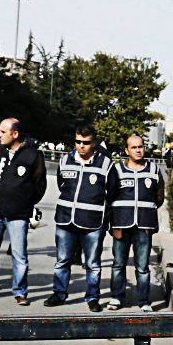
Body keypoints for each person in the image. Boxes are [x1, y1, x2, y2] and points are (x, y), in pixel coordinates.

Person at [0, 118, 46, 305]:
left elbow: (40, 184)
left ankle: (20, 292)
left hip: (18, 214)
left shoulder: (33, 155)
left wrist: (25, 201)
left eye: (2, 131)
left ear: (15, 134)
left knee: (19, 255)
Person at [45, 126, 112, 312]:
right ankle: (59, 293)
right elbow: (62, 185)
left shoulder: (106, 164)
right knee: (62, 261)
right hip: (66, 220)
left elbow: (111, 193)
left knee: (92, 264)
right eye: (78, 142)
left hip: (93, 222)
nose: (81, 146)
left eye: (86, 142)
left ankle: (92, 297)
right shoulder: (65, 160)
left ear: (94, 143)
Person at [106, 134, 164, 312]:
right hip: (121, 225)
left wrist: (147, 213)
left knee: (143, 267)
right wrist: (113, 224)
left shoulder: (154, 169)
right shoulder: (117, 169)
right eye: (134, 147)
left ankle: (144, 301)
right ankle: (116, 297)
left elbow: (159, 197)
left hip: (144, 226)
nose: (138, 150)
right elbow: (110, 196)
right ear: (127, 150)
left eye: (141, 146)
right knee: (118, 264)